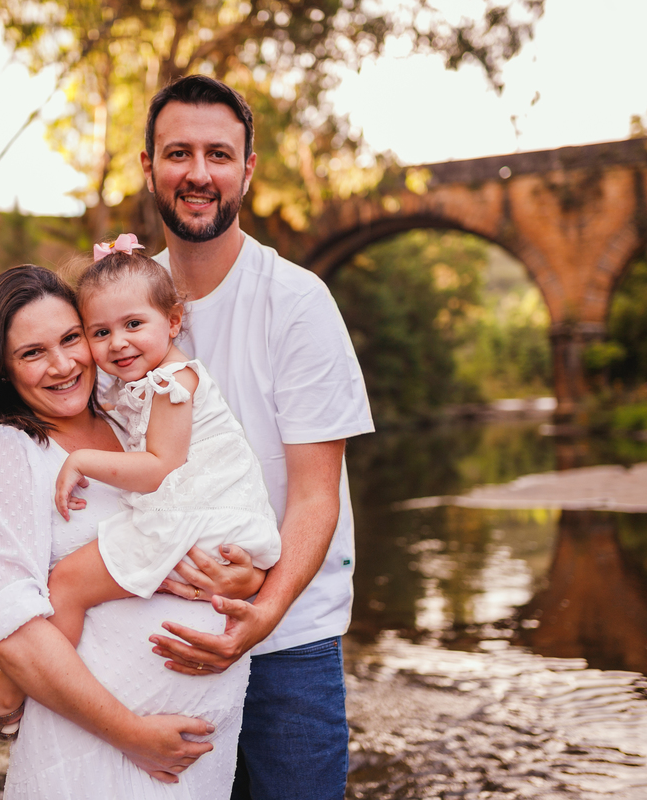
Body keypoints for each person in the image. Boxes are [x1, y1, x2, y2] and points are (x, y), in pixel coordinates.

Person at [0, 264, 266, 799]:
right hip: (99, 751)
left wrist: (241, 579)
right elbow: (12, 626)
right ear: (2, 369)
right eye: (32, 352)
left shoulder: (128, 416)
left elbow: (202, 507)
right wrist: (131, 734)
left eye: (71, 338)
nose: (63, 364)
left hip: (194, 752)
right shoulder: (5, 451)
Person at [138, 75, 374, 800]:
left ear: (248, 169)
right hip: (157, 634)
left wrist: (260, 613)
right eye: (179, 153)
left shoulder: (296, 302)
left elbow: (314, 497)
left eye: (219, 154)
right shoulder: (123, 304)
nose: (198, 174)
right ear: (148, 167)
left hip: (287, 646)